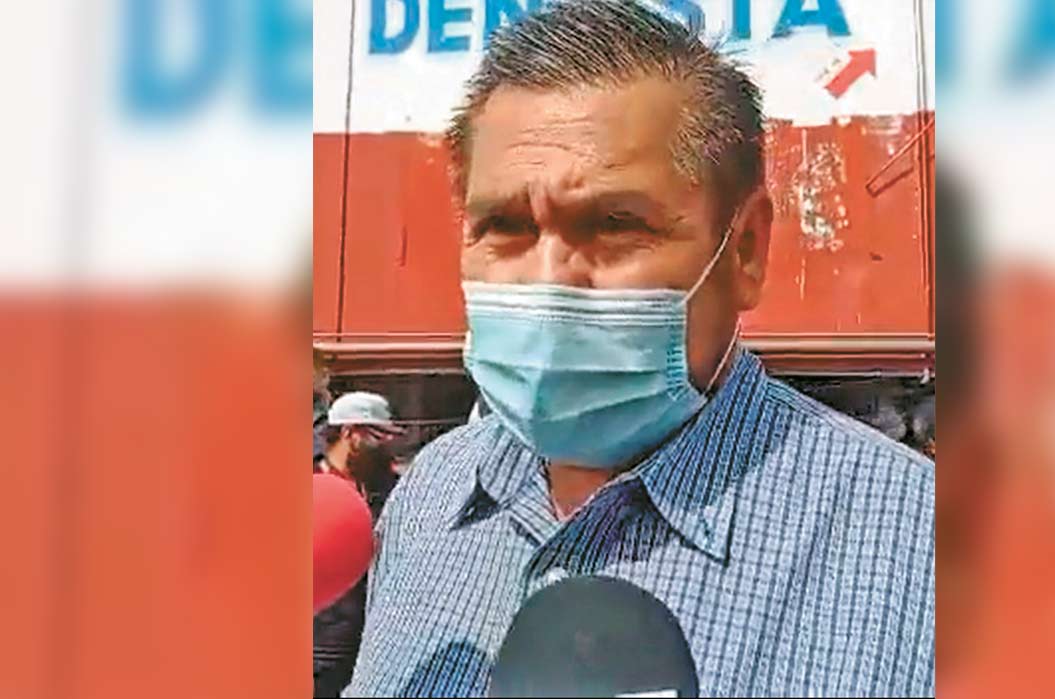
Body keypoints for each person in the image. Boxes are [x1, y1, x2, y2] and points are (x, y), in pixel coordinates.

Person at [347, 2, 934, 696]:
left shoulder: (921, 548)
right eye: (504, 225)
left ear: (745, 249)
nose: (549, 280)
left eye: (614, 223)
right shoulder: (430, 496)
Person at [314, 392, 404, 697]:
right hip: (317, 649)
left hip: (369, 650)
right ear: (350, 434)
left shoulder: (390, 490)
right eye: (379, 437)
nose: (388, 446)